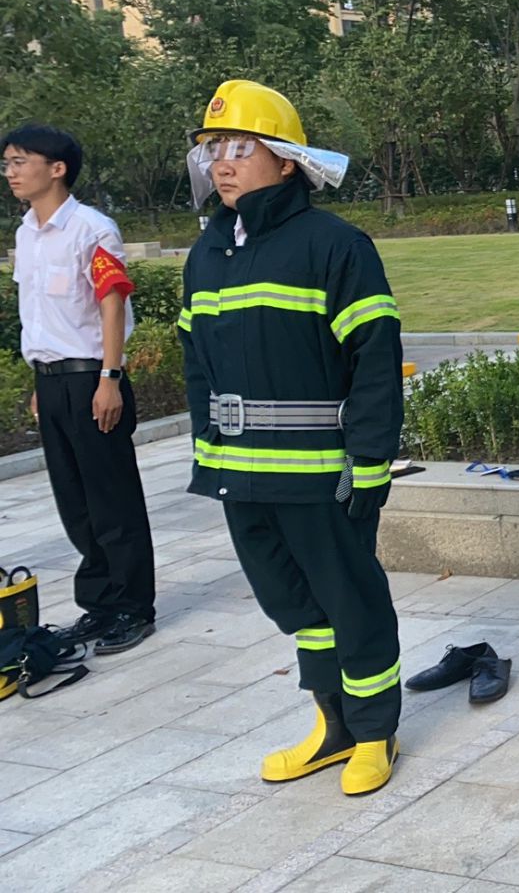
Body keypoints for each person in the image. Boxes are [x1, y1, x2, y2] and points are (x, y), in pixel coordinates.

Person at [176, 80, 404, 796]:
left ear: (286, 161)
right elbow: (196, 365)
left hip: (319, 475)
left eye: (241, 147)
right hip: (240, 475)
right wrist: (208, 452)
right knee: (296, 606)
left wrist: (371, 461)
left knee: (351, 602)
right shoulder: (207, 254)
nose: (223, 162)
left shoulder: (334, 245)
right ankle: (333, 726)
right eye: (214, 148)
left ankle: (375, 732)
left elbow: (374, 360)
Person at [3, 123, 156, 654]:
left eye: (20, 161)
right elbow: (38, 314)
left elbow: (111, 302)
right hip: (51, 382)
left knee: (112, 498)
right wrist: (39, 380)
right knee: (75, 500)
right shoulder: (25, 234)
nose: (10, 172)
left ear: (57, 168)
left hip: (93, 378)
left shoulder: (91, 228)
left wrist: (110, 377)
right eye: (7, 163)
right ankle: (100, 602)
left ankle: (133, 607)